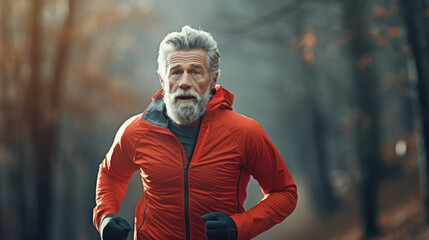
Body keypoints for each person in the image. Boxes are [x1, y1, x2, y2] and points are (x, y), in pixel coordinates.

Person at [93, 25, 297, 240]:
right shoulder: (135, 131)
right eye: (176, 72)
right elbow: (111, 174)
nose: (184, 83)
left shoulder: (245, 133)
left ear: (213, 80)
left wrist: (238, 226)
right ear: (163, 80)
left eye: (195, 72)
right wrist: (105, 216)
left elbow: (284, 193)